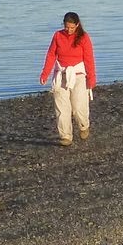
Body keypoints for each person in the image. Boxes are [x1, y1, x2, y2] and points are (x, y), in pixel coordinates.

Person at [38, 11, 96, 146]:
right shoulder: (58, 36)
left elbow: (89, 59)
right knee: (62, 108)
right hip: (61, 74)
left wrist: (91, 78)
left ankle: (83, 125)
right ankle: (65, 136)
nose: (69, 30)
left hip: (78, 75)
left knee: (78, 106)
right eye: (66, 27)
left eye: (71, 27)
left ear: (77, 25)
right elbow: (51, 55)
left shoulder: (84, 37)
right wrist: (45, 74)